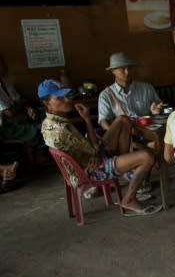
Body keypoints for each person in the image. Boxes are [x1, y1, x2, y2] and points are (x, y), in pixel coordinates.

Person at [39, 79, 160, 215]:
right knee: (147, 156)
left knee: (123, 120)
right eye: (60, 98)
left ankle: (126, 166)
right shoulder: (61, 129)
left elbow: (92, 147)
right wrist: (94, 143)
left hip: (90, 157)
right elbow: (94, 149)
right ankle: (129, 199)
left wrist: (86, 118)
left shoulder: (49, 121)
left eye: (67, 95)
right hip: (93, 169)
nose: (67, 100)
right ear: (47, 103)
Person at [98, 52, 163, 133]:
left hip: (149, 133)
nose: (127, 72)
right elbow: (103, 121)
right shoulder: (105, 95)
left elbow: (159, 108)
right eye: (122, 69)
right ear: (113, 71)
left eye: (130, 68)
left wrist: (157, 111)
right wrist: (114, 134)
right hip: (125, 137)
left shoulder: (147, 88)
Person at [0, 53, 44, 147]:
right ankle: (43, 153)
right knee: (39, 130)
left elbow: (20, 100)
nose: (2, 66)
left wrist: (29, 108)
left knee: (46, 113)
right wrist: (23, 103)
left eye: (1, 63)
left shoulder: (6, 82)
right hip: (6, 126)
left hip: (19, 116)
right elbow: (9, 113)